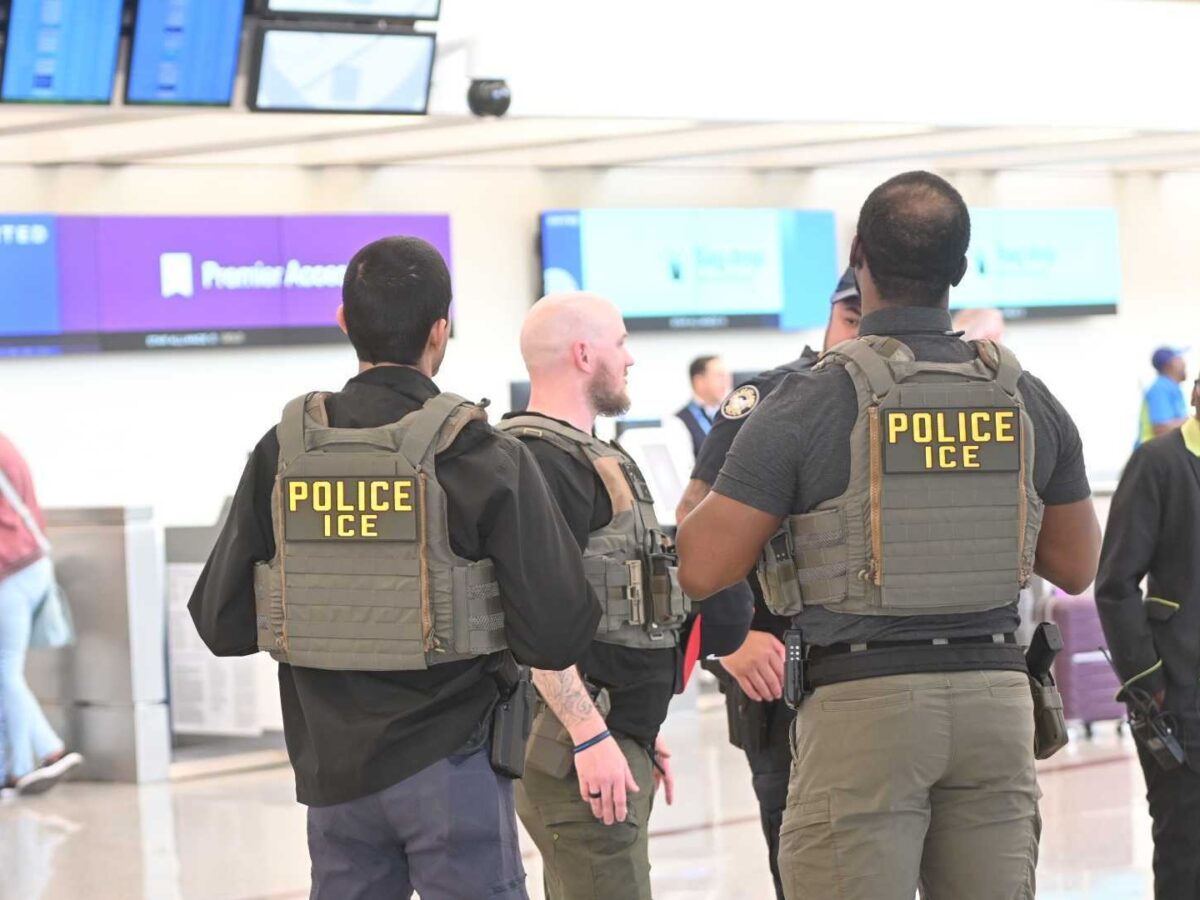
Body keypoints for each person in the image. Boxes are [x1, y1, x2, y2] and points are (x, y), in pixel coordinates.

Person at [677, 171, 1101, 900]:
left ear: (859, 256)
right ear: (960, 271)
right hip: (998, 703)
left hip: (861, 707)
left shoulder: (807, 400)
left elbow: (702, 565)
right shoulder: (1024, 395)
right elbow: (1076, 563)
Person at [188, 237, 599, 900]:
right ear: (442, 331)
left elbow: (220, 622)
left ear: (344, 320)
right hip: (453, 770)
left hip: (332, 778)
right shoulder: (479, 453)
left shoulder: (285, 451)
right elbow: (556, 632)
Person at [500, 293, 748, 900]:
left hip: (607, 732)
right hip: (574, 747)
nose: (631, 358)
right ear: (585, 354)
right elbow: (532, 621)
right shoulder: (540, 464)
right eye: (621, 342)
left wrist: (631, 724)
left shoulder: (581, 455)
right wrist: (588, 732)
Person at [673, 266, 861, 900]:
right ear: (839, 313)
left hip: (885, 676)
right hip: (782, 679)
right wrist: (732, 640)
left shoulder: (909, 395)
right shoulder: (771, 396)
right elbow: (693, 525)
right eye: (856, 318)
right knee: (801, 865)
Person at [1096, 374, 1200, 898]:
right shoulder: (1160, 464)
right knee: (1187, 849)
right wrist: (1149, 684)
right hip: (1182, 700)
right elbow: (1114, 585)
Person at [0, 433, 83, 797]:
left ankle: (33, 760)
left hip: (9, 571)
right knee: (6, 672)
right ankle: (32, 760)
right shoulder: (5, 443)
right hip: (33, 563)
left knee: (5, 672)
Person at [675, 355, 733, 456]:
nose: (726, 381)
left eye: (727, 376)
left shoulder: (730, 414)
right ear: (699, 381)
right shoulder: (680, 421)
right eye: (719, 376)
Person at [1138, 346, 1189, 445]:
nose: (1184, 362)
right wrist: (1194, 420)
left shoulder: (1171, 388)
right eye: (1179, 358)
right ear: (1171, 365)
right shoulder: (1160, 388)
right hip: (1152, 455)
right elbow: (1161, 429)